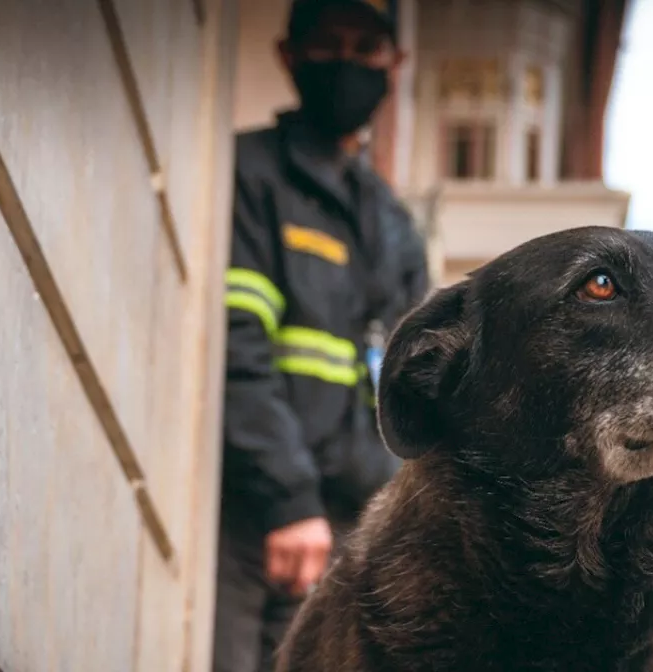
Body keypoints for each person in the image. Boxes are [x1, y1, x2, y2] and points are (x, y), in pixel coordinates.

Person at [214, 1, 429, 670]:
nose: (349, 63)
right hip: (259, 519)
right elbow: (236, 342)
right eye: (329, 44)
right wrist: (288, 500)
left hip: (358, 531)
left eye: (366, 49)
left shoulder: (394, 226)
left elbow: (416, 393)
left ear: (394, 64)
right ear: (288, 55)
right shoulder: (251, 175)